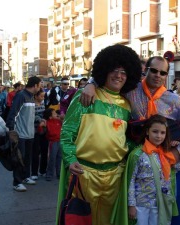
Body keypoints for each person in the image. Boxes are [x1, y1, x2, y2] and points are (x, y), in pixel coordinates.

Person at [81, 55, 180, 225]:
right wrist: (91, 84)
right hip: (132, 159)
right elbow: (109, 79)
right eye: (154, 70)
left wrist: (177, 153)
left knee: (158, 209)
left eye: (162, 72)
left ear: (166, 75)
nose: (157, 75)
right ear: (146, 70)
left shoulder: (175, 101)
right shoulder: (130, 90)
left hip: (161, 163)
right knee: (130, 208)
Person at [57, 44, 142, 225]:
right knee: (80, 220)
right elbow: (67, 133)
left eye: (124, 72)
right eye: (114, 70)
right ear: (105, 70)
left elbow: (125, 140)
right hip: (84, 174)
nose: (119, 76)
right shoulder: (85, 96)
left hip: (115, 176)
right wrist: (70, 159)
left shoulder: (127, 105)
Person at [127, 115, 177, 225]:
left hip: (159, 204)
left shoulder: (165, 155)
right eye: (155, 131)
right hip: (140, 205)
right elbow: (130, 181)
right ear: (147, 132)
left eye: (162, 133)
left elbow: (171, 176)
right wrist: (131, 205)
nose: (159, 136)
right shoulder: (137, 155)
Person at [6, 76, 42, 192]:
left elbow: (29, 114)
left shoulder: (31, 97)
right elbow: (13, 113)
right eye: (40, 85)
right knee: (19, 159)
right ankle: (17, 182)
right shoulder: (21, 96)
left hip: (30, 133)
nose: (40, 88)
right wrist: (11, 130)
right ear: (35, 85)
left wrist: (38, 119)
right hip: (20, 134)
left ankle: (26, 177)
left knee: (27, 158)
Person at [38, 108, 62, 181]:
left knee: (59, 158)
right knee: (52, 158)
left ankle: (59, 174)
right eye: (54, 113)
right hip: (52, 142)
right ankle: (49, 174)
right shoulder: (47, 123)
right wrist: (40, 126)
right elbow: (41, 132)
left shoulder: (59, 121)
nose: (56, 114)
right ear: (50, 116)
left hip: (60, 141)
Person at [30, 88, 48, 180]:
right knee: (35, 152)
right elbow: (31, 115)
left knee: (44, 151)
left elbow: (44, 114)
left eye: (43, 96)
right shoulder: (31, 105)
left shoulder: (43, 104)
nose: (43, 98)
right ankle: (34, 172)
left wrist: (45, 120)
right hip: (35, 131)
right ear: (36, 96)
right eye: (41, 96)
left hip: (43, 130)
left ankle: (43, 170)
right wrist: (40, 120)